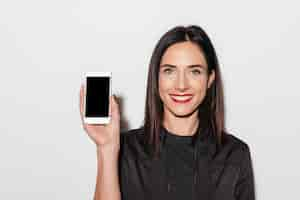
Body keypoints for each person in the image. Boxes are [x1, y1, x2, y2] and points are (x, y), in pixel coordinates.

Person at [79, 25, 255, 200]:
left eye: (195, 71)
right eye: (169, 71)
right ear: (156, 78)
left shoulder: (235, 155)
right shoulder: (124, 150)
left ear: (210, 79)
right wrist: (106, 149)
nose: (181, 85)